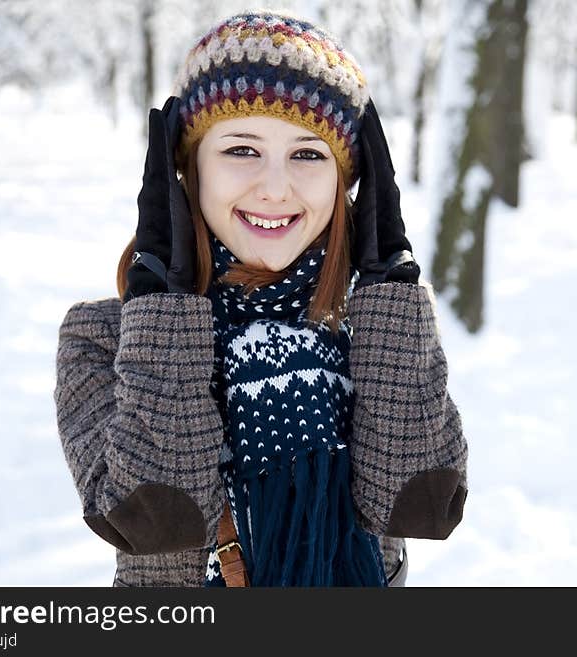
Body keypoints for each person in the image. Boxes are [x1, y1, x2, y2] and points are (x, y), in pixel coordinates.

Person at [53, 9, 468, 587]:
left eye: (308, 154)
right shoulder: (103, 341)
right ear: (187, 168)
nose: (275, 188)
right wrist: (165, 310)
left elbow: (420, 503)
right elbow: (155, 518)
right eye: (242, 150)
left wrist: (390, 281)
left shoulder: (371, 331)